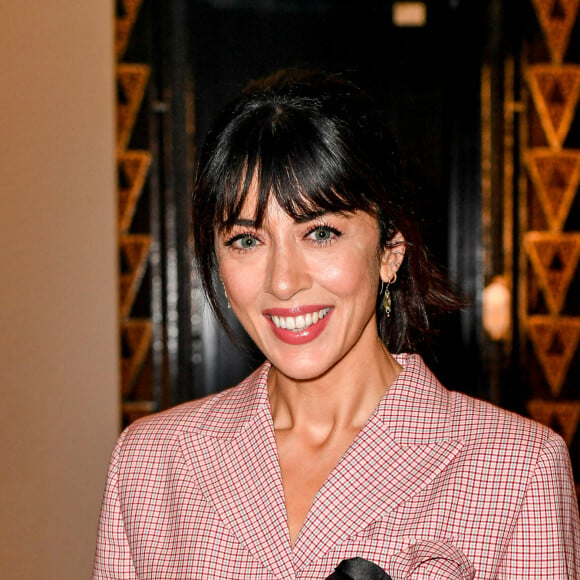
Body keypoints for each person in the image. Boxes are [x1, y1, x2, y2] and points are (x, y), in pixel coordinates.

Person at [93, 69, 580, 579]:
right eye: (246, 240)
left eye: (321, 233)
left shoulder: (516, 469)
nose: (283, 281)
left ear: (390, 251)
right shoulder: (151, 462)